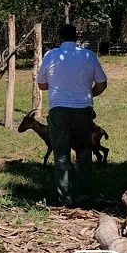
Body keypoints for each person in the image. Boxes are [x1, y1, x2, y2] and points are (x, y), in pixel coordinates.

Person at [37, 24, 107, 206]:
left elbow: (41, 85)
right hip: (83, 109)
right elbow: (102, 84)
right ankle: (84, 194)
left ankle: (64, 197)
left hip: (59, 109)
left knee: (61, 155)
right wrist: (88, 93)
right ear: (76, 37)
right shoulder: (88, 55)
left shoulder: (51, 55)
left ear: (59, 37)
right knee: (84, 152)